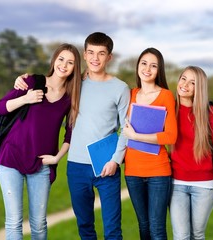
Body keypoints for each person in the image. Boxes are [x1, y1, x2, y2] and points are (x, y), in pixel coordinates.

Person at [0, 43, 82, 239]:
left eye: (70, 62)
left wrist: (57, 158)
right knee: (14, 222)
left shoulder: (71, 97)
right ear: (54, 60)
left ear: (75, 68)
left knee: (39, 225)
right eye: (61, 59)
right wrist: (25, 99)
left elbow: (70, 133)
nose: (64, 65)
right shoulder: (32, 81)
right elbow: (1, 108)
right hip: (11, 157)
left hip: (42, 164)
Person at [66, 32, 130, 240]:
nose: (95, 58)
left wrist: (115, 161)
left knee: (112, 229)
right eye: (91, 53)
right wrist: (23, 79)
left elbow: (127, 129)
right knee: (84, 226)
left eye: (101, 53)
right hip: (76, 165)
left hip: (106, 165)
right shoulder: (74, 84)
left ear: (109, 57)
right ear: (84, 55)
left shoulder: (120, 88)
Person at [169, 66, 213, 240]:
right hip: (176, 184)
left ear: (199, 88)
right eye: (183, 78)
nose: (185, 85)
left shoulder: (207, 114)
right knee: (181, 236)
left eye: (192, 83)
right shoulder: (169, 109)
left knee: (197, 234)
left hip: (205, 186)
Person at [123, 47, 177, 239]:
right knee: (143, 226)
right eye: (144, 63)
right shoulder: (129, 94)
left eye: (153, 66)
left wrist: (136, 136)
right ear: (137, 66)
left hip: (158, 172)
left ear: (159, 70)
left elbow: (171, 136)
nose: (148, 69)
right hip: (132, 171)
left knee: (157, 228)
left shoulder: (166, 96)